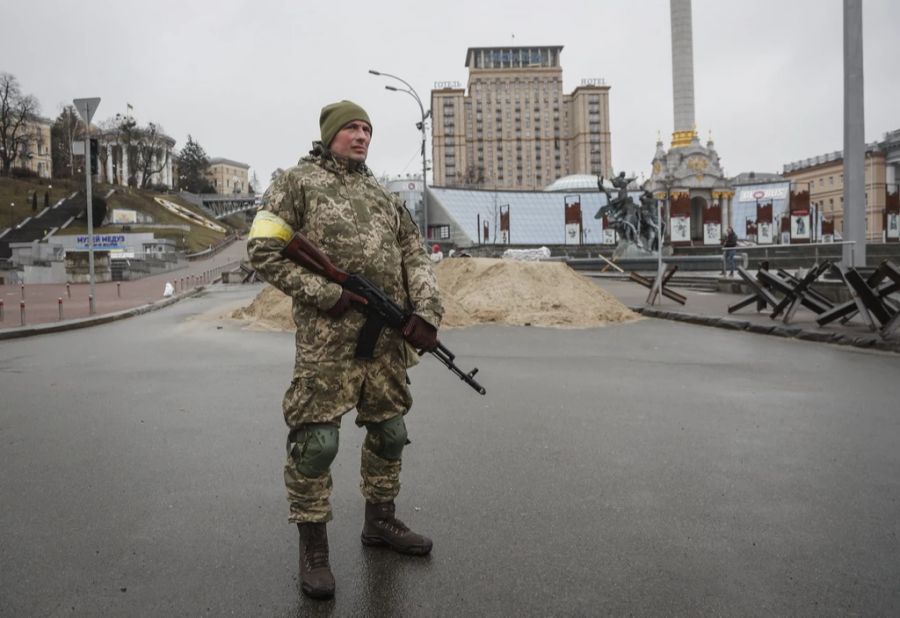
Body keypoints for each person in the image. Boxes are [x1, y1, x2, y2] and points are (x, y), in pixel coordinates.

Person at [246, 100, 443, 600]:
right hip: (327, 344)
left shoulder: (381, 193)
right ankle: (314, 548)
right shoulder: (297, 182)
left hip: (386, 342)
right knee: (318, 444)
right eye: (352, 128)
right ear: (331, 133)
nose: (361, 137)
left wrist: (425, 312)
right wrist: (327, 294)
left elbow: (414, 252)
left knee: (391, 432)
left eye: (367, 129)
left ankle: (381, 522)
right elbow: (263, 248)